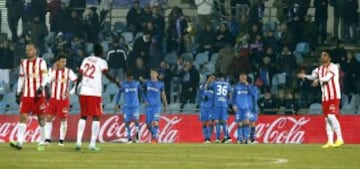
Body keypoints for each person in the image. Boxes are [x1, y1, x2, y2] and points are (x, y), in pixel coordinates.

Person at [74, 44, 120, 151]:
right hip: (94, 92)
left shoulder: (85, 59)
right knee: (96, 117)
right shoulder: (102, 62)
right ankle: (92, 144)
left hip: (84, 91)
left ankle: (78, 142)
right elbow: (106, 74)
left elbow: (80, 74)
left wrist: (77, 86)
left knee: (83, 116)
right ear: (101, 52)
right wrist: (116, 82)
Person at [298, 50, 344, 148]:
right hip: (325, 97)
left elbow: (327, 78)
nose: (322, 57)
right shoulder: (318, 69)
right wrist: (305, 76)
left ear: (329, 58)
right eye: (322, 55)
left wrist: (318, 80)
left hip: (334, 95)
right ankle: (330, 141)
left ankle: (340, 138)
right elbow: (312, 76)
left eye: (325, 55)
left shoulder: (334, 67)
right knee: (327, 119)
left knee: (332, 116)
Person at [10, 43, 48, 151]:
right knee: (22, 117)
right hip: (27, 94)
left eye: (30, 50)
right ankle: (20, 142)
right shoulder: (24, 63)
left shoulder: (41, 62)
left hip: (39, 95)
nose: (28, 52)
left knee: (41, 119)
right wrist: (18, 92)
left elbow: (45, 76)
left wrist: (41, 86)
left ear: (35, 50)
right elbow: (21, 78)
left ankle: (41, 142)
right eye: (27, 50)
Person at [40, 53, 77, 146]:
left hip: (63, 100)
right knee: (48, 118)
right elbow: (47, 80)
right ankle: (48, 139)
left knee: (63, 119)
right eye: (62, 61)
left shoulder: (69, 72)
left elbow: (77, 82)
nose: (64, 63)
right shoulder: (53, 71)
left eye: (65, 61)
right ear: (58, 62)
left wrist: (71, 92)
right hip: (53, 99)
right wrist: (41, 87)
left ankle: (61, 140)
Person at [115, 71, 144, 143]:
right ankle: (129, 138)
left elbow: (141, 92)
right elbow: (119, 93)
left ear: (132, 77)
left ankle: (137, 137)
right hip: (127, 107)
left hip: (135, 106)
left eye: (131, 78)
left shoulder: (136, 83)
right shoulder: (124, 84)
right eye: (128, 78)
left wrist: (145, 100)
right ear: (127, 78)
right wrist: (116, 103)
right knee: (127, 122)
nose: (130, 79)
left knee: (136, 121)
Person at [143, 68, 168, 143]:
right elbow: (142, 92)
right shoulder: (146, 83)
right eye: (151, 73)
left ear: (157, 74)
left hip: (157, 105)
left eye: (153, 73)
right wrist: (145, 100)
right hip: (148, 106)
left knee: (155, 121)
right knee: (148, 124)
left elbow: (163, 94)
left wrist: (165, 104)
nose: (152, 74)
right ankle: (154, 133)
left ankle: (154, 138)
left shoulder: (160, 84)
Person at [232, 72, 256, 144]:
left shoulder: (249, 86)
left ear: (246, 78)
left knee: (246, 122)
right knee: (239, 123)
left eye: (244, 78)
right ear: (239, 78)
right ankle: (239, 139)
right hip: (238, 108)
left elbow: (252, 94)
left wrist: (248, 85)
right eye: (242, 77)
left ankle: (246, 138)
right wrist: (233, 105)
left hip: (246, 107)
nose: (243, 79)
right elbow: (232, 97)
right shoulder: (236, 86)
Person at [208, 73, 232, 143]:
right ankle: (227, 137)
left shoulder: (215, 83)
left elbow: (208, 87)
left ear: (218, 78)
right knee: (224, 121)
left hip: (217, 104)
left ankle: (218, 138)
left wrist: (209, 80)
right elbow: (230, 94)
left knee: (217, 121)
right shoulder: (227, 84)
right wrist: (228, 102)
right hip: (224, 104)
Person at [199, 74, 215, 143]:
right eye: (211, 78)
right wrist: (203, 97)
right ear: (208, 78)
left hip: (211, 107)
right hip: (203, 107)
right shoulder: (203, 85)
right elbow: (199, 94)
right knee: (204, 123)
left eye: (213, 79)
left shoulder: (215, 87)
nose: (212, 80)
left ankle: (209, 137)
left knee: (211, 122)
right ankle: (205, 138)